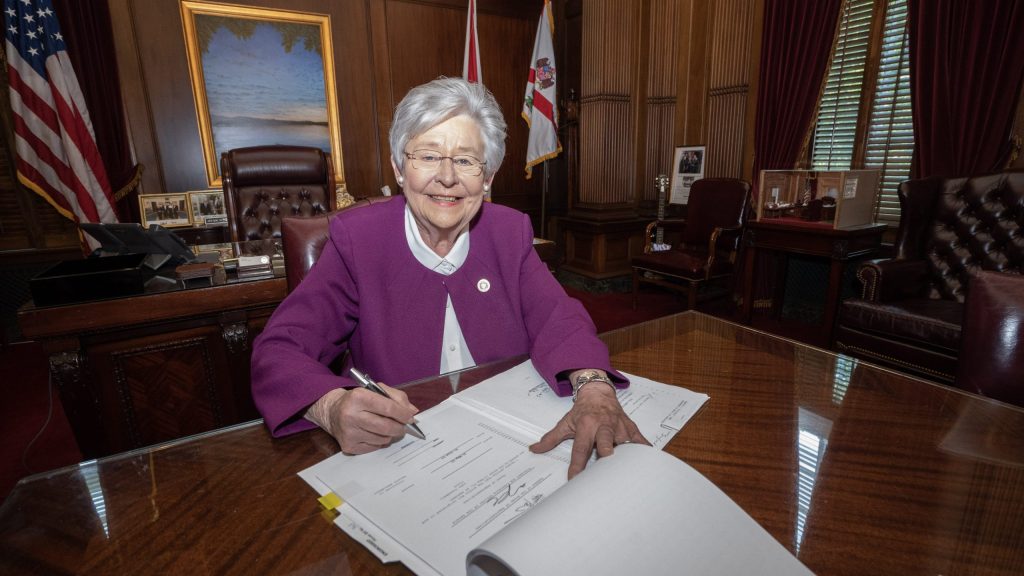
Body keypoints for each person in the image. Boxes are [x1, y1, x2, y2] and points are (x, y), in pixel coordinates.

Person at [251, 77, 647, 479]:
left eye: (466, 160)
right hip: (402, 458)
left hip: (512, 441)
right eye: (427, 156)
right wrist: (331, 406)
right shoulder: (359, 241)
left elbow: (559, 320)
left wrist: (594, 387)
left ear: (487, 177)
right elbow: (279, 351)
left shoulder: (509, 232)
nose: (447, 177)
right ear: (399, 169)